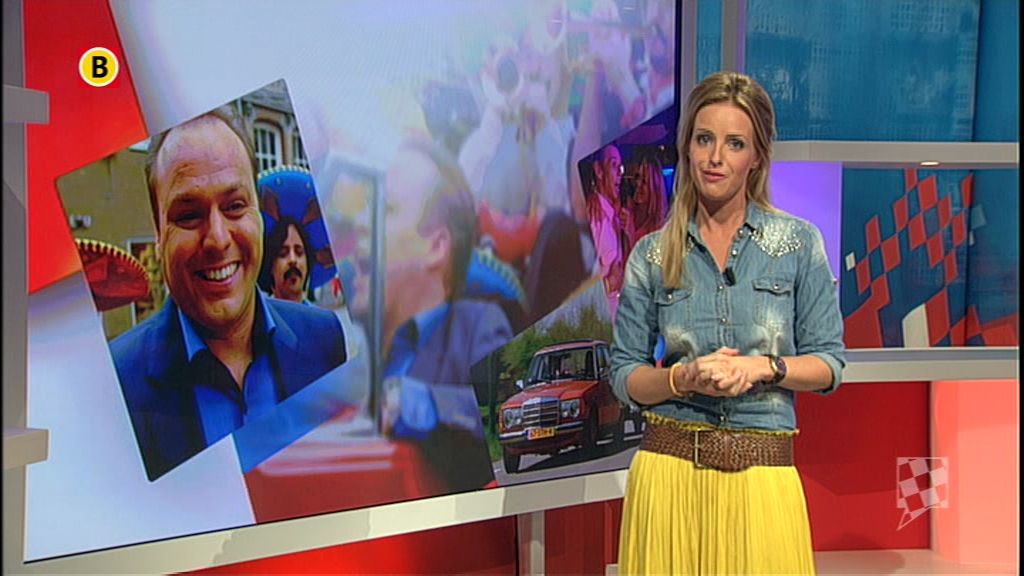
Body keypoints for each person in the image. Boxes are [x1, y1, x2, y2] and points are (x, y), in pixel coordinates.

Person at [610, 71, 845, 574]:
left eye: (734, 143)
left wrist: (765, 368)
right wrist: (682, 378)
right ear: (687, 147)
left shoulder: (798, 244)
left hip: (761, 475)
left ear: (756, 156)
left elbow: (829, 364)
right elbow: (624, 374)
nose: (715, 157)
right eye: (704, 139)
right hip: (668, 478)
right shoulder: (651, 255)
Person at [110, 105, 348, 481]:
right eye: (189, 215)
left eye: (235, 206)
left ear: (258, 215)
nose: (218, 239)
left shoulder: (325, 339)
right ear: (158, 234)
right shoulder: (117, 384)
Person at [349, 135, 513, 491]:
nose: (360, 221)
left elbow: (501, 413)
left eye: (385, 210)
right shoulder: (345, 344)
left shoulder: (478, 325)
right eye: (365, 207)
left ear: (436, 247)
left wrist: (418, 403)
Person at [261, 216, 313, 303]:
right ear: (271, 266)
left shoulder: (318, 312)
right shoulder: (259, 311)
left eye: (299, 252)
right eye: (283, 253)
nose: (292, 260)